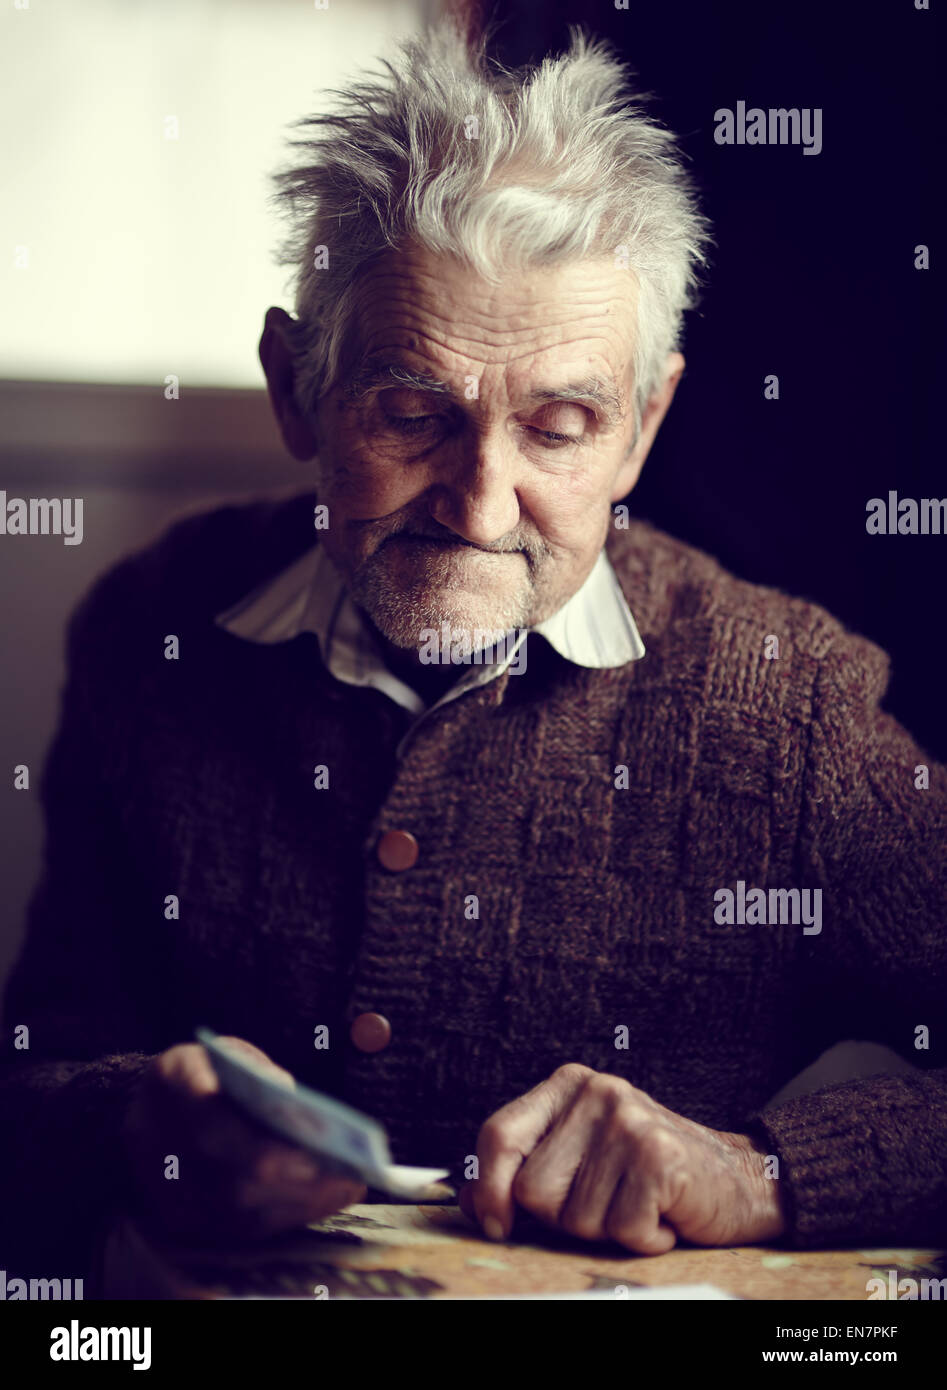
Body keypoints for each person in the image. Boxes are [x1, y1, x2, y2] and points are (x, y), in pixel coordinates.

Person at [1, 22, 944, 1282]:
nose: (480, 501)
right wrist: (136, 1117)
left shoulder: (787, 704)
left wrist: (753, 1169)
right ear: (295, 388)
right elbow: (42, 1057)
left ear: (642, 426)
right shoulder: (152, 628)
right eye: (409, 413)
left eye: (559, 424)